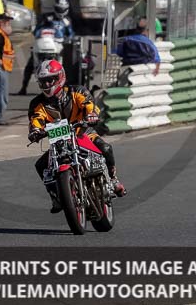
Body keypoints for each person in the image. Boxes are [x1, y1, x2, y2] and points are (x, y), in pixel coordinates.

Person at [27, 60, 126, 213]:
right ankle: (56, 197)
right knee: (40, 165)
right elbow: (36, 119)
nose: (46, 84)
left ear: (60, 77)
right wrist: (35, 131)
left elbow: (90, 105)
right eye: (43, 81)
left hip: (83, 133)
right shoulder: (37, 103)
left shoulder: (77, 91)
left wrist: (92, 115)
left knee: (106, 148)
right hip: (59, 141)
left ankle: (113, 179)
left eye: (50, 80)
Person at [18, 0, 74, 96]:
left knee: (69, 64)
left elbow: (71, 34)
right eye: (59, 9)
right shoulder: (47, 17)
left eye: (62, 9)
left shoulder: (67, 21)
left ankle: (67, 87)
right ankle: (24, 87)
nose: (60, 11)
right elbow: (37, 30)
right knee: (30, 64)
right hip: (44, 44)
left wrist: (67, 39)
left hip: (59, 45)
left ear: (67, 9)